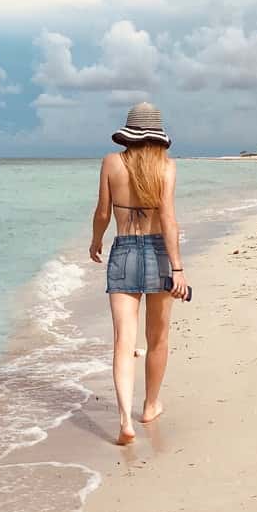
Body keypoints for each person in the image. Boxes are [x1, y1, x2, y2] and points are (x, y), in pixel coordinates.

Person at [88, 103, 188, 445]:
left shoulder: (111, 162)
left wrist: (96, 241)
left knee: (123, 341)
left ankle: (124, 420)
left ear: (128, 133)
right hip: (160, 252)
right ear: (158, 135)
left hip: (124, 250)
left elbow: (103, 212)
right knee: (158, 337)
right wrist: (178, 269)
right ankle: (149, 406)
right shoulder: (167, 167)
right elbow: (170, 220)